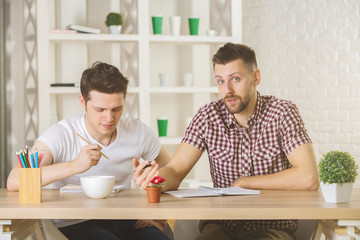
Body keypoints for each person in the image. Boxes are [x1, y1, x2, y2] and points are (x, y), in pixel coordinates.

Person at [133, 43, 320, 240]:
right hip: (221, 226)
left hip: (271, 226)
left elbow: (308, 177)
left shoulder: (282, 112)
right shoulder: (207, 116)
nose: (227, 90)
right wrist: (152, 179)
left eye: (235, 79)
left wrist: (245, 183)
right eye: (220, 81)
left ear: (256, 77)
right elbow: (175, 170)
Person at [7, 62, 171, 240]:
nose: (109, 118)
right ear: (83, 102)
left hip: (127, 217)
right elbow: (14, 181)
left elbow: (171, 172)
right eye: (99, 110)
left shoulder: (138, 131)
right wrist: (74, 166)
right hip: (76, 222)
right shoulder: (62, 134)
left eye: (117, 109)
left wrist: (156, 211)